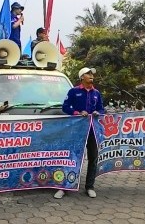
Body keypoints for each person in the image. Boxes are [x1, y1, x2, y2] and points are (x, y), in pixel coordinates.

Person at [54, 67, 104, 199]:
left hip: (93, 130)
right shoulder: (73, 91)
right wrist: (77, 113)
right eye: (88, 74)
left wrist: (98, 113)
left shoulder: (96, 93)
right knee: (73, 158)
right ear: (82, 77)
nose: (91, 76)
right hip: (76, 131)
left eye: (92, 74)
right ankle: (65, 187)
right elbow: (65, 107)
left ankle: (90, 186)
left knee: (93, 157)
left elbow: (101, 108)